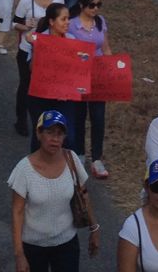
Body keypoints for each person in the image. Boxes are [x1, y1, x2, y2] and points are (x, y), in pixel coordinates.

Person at [8, 110, 99, 272]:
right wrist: (19, 255)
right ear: (39, 133)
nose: (55, 139)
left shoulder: (72, 160)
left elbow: (84, 195)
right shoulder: (24, 169)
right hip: (33, 247)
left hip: (67, 244)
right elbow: (17, 212)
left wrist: (94, 229)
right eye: (49, 132)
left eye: (59, 133)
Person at [13, 0, 64, 136]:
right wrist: (26, 25)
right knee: (26, 84)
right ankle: (21, 120)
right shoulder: (27, 0)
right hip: (27, 50)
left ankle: (44, 121)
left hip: (50, 51)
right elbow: (15, 23)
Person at [68, 0, 111, 179]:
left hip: (98, 75)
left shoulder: (101, 22)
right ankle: (79, 153)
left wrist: (111, 69)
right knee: (78, 115)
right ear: (82, 5)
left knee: (98, 117)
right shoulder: (71, 25)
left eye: (98, 5)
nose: (95, 9)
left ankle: (96, 157)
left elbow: (106, 47)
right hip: (78, 75)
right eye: (92, 5)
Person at [27, 3, 78, 151]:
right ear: (51, 21)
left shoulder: (72, 40)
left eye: (68, 18)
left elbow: (76, 71)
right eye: (63, 19)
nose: (68, 22)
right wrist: (37, 48)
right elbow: (32, 69)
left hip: (64, 98)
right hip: (41, 97)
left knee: (68, 138)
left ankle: (64, 170)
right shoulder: (40, 39)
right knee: (40, 138)